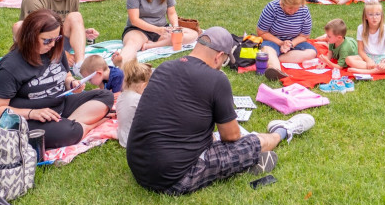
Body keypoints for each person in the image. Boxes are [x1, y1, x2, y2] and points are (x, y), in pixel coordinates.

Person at [126, 26, 315, 194]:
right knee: (253, 142)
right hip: (176, 178)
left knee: (215, 138)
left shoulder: (164, 68)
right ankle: (283, 131)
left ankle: (247, 162)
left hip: (139, 167)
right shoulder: (216, 79)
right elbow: (231, 137)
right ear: (218, 56)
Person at [0, 9, 112, 149]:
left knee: (106, 96)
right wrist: (32, 113)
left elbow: (66, 75)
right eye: (47, 40)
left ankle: (71, 125)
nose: (53, 44)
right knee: (66, 132)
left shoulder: (55, 50)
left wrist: (71, 83)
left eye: (57, 39)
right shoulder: (9, 67)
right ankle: (84, 126)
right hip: (30, 116)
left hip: (60, 105)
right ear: (30, 36)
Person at [15, 0, 97, 72]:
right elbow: (33, 33)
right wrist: (61, 53)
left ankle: (79, 65)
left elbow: (68, 24)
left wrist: (81, 32)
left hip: (58, 41)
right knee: (18, 26)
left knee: (76, 16)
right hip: (38, 44)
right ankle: (38, 63)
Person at [115, 0, 195, 67]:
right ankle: (120, 62)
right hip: (139, 30)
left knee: (193, 34)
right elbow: (134, 20)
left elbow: (171, 13)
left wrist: (175, 26)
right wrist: (157, 30)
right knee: (132, 44)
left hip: (162, 29)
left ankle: (152, 45)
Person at [257, 0, 316, 80]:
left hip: (294, 42)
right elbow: (261, 32)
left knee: (311, 52)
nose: (293, 11)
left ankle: (276, 58)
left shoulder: (304, 10)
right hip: (273, 41)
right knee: (267, 50)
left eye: (296, 8)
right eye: (290, 8)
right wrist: (280, 43)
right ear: (283, 2)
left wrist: (290, 44)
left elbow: (305, 36)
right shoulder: (272, 7)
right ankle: (275, 70)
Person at [346, 0, 385, 74]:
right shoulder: (361, 28)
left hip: (382, 57)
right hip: (367, 57)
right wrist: (368, 60)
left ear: (381, 16)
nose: (374, 17)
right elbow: (360, 50)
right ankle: (378, 69)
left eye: (377, 14)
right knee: (348, 59)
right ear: (366, 16)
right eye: (371, 14)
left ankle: (368, 71)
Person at [116, 59, 152, 147]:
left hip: (123, 137)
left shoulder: (121, 96)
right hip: (137, 141)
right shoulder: (139, 99)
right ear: (143, 86)